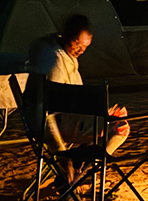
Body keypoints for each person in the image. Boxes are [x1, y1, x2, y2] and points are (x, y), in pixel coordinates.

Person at [27, 14, 129, 161]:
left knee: (114, 119)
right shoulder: (55, 61)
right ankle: (87, 171)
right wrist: (60, 151)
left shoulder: (59, 53)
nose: (81, 50)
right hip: (62, 125)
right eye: (77, 43)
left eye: (85, 47)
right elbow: (50, 111)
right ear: (67, 35)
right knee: (120, 127)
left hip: (69, 120)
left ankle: (84, 169)